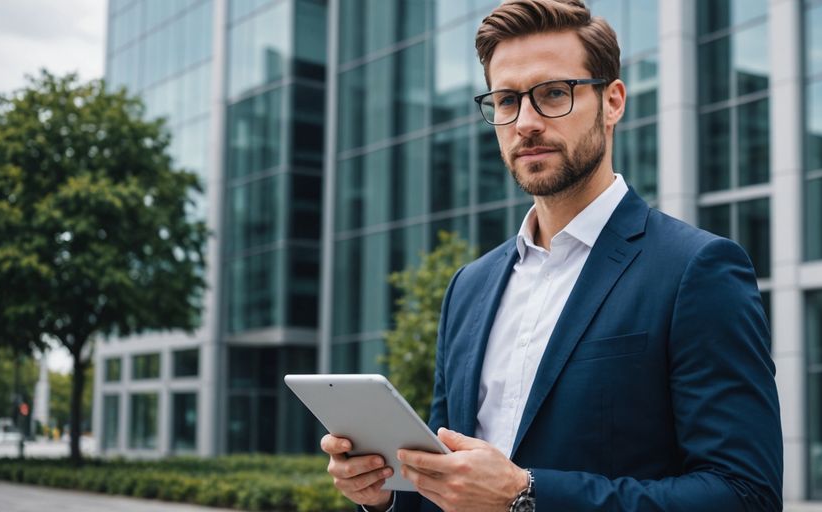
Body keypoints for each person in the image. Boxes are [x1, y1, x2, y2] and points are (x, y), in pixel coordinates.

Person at [321, 1, 783, 510]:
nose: (525, 123)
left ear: (613, 101)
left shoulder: (697, 270)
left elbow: (746, 496)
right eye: (506, 101)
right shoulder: (468, 288)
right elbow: (449, 483)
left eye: (553, 95)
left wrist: (527, 495)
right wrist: (385, 493)